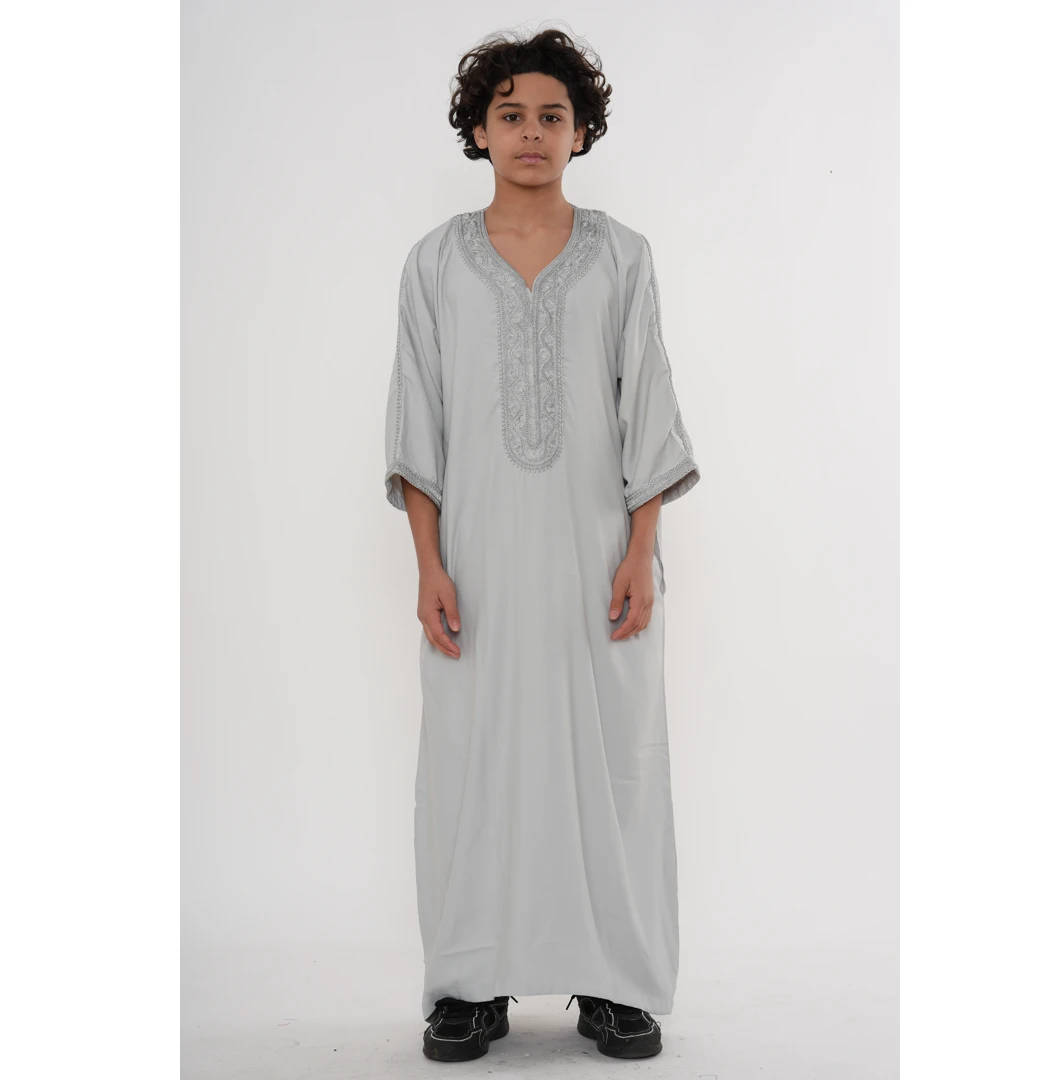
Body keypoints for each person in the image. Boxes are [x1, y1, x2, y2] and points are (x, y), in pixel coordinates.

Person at [382, 27, 701, 1063]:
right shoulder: (436, 264)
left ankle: (617, 984)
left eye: (552, 115)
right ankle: (466, 987)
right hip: (476, 562)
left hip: (596, 561)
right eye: (510, 113)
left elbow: (649, 409)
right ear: (478, 130)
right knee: (472, 764)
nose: (531, 131)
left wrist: (641, 551)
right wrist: (429, 565)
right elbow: (418, 420)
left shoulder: (622, 256)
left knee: (614, 763)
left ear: (581, 132)